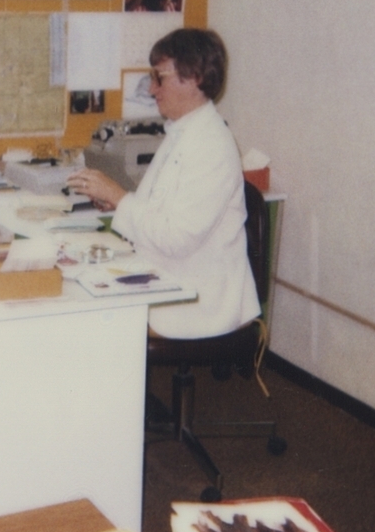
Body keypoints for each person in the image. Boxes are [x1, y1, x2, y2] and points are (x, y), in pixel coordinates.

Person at [67, 28, 260, 339]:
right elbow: (158, 209)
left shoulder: (210, 145)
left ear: (194, 77)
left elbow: (176, 239)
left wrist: (119, 197)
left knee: (89, 319)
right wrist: (117, 200)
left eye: (160, 77)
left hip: (197, 299)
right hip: (171, 272)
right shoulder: (182, 131)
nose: (152, 89)